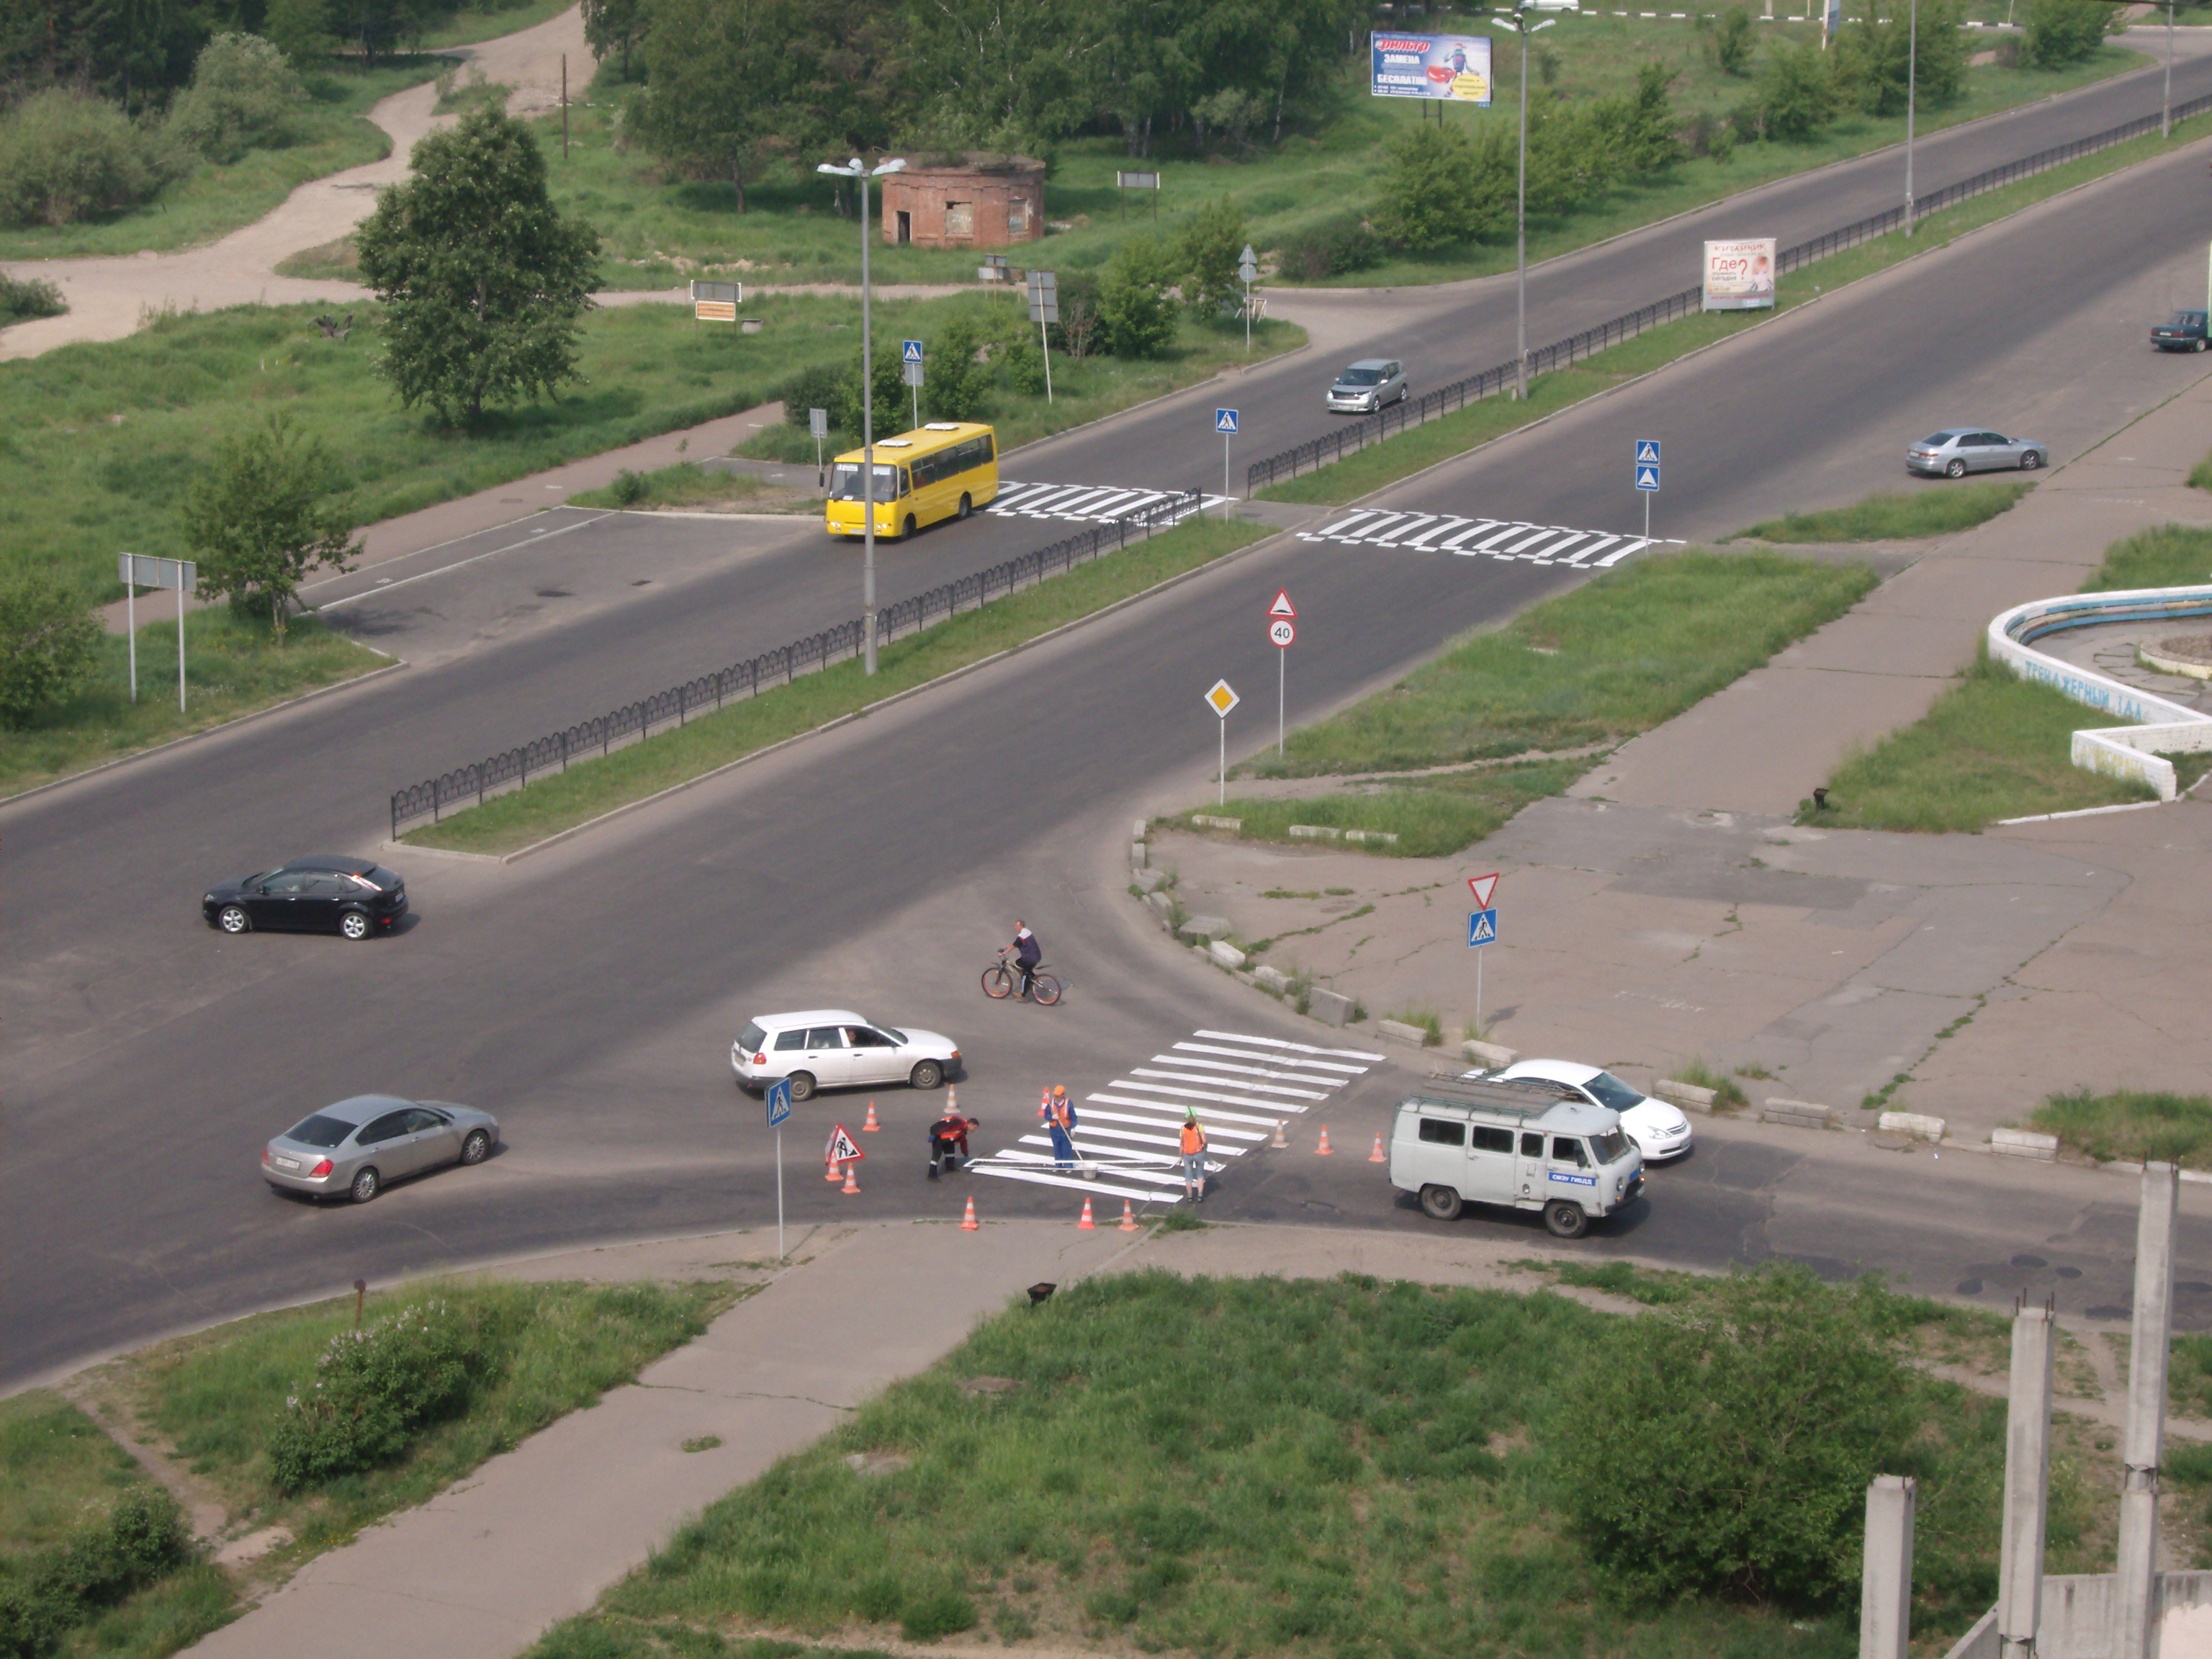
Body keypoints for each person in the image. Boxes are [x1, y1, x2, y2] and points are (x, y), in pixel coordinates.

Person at [927, 1110, 979, 1178]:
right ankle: (931, 1174)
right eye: (975, 1128)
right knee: (937, 1154)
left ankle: (950, 1167)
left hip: (947, 1137)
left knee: (950, 1150)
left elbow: (963, 1143)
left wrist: (965, 1154)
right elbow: (945, 1127)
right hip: (938, 1132)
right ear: (971, 1124)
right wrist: (935, 1135)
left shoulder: (963, 1132)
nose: (975, 1130)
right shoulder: (959, 1122)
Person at [1179, 1110, 1209, 1204]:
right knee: (1200, 1174)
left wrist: (1180, 1156)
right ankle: (1200, 1196)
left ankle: (1190, 1197)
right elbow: (1204, 1141)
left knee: (1188, 1176)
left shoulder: (1182, 1129)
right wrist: (1205, 1146)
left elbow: (1181, 1144)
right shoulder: (1199, 1126)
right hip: (1198, 1153)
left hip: (1187, 1154)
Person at [1046, 1084, 1078, 1172]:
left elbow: (1073, 1117)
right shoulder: (1051, 1103)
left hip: (1066, 1130)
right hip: (1055, 1130)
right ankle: (1058, 1165)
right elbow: (1046, 1115)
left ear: (1063, 1095)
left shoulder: (1068, 1104)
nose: (1056, 1097)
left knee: (1066, 1149)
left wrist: (1073, 1127)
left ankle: (1068, 1166)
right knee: (1057, 1148)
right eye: (1055, 1095)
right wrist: (1052, 1117)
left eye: (1058, 1095)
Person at [1009, 920, 1042, 1000]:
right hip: (1036, 956)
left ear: (1020, 926)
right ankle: (1033, 977)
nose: (1015, 928)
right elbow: (1014, 945)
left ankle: (1022, 994)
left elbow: (1014, 946)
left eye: (1016, 926)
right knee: (1019, 962)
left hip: (1030, 958)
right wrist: (1008, 947)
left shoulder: (1021, 936)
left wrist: (1003, 953)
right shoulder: (1027, 932)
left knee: (1025, 973)